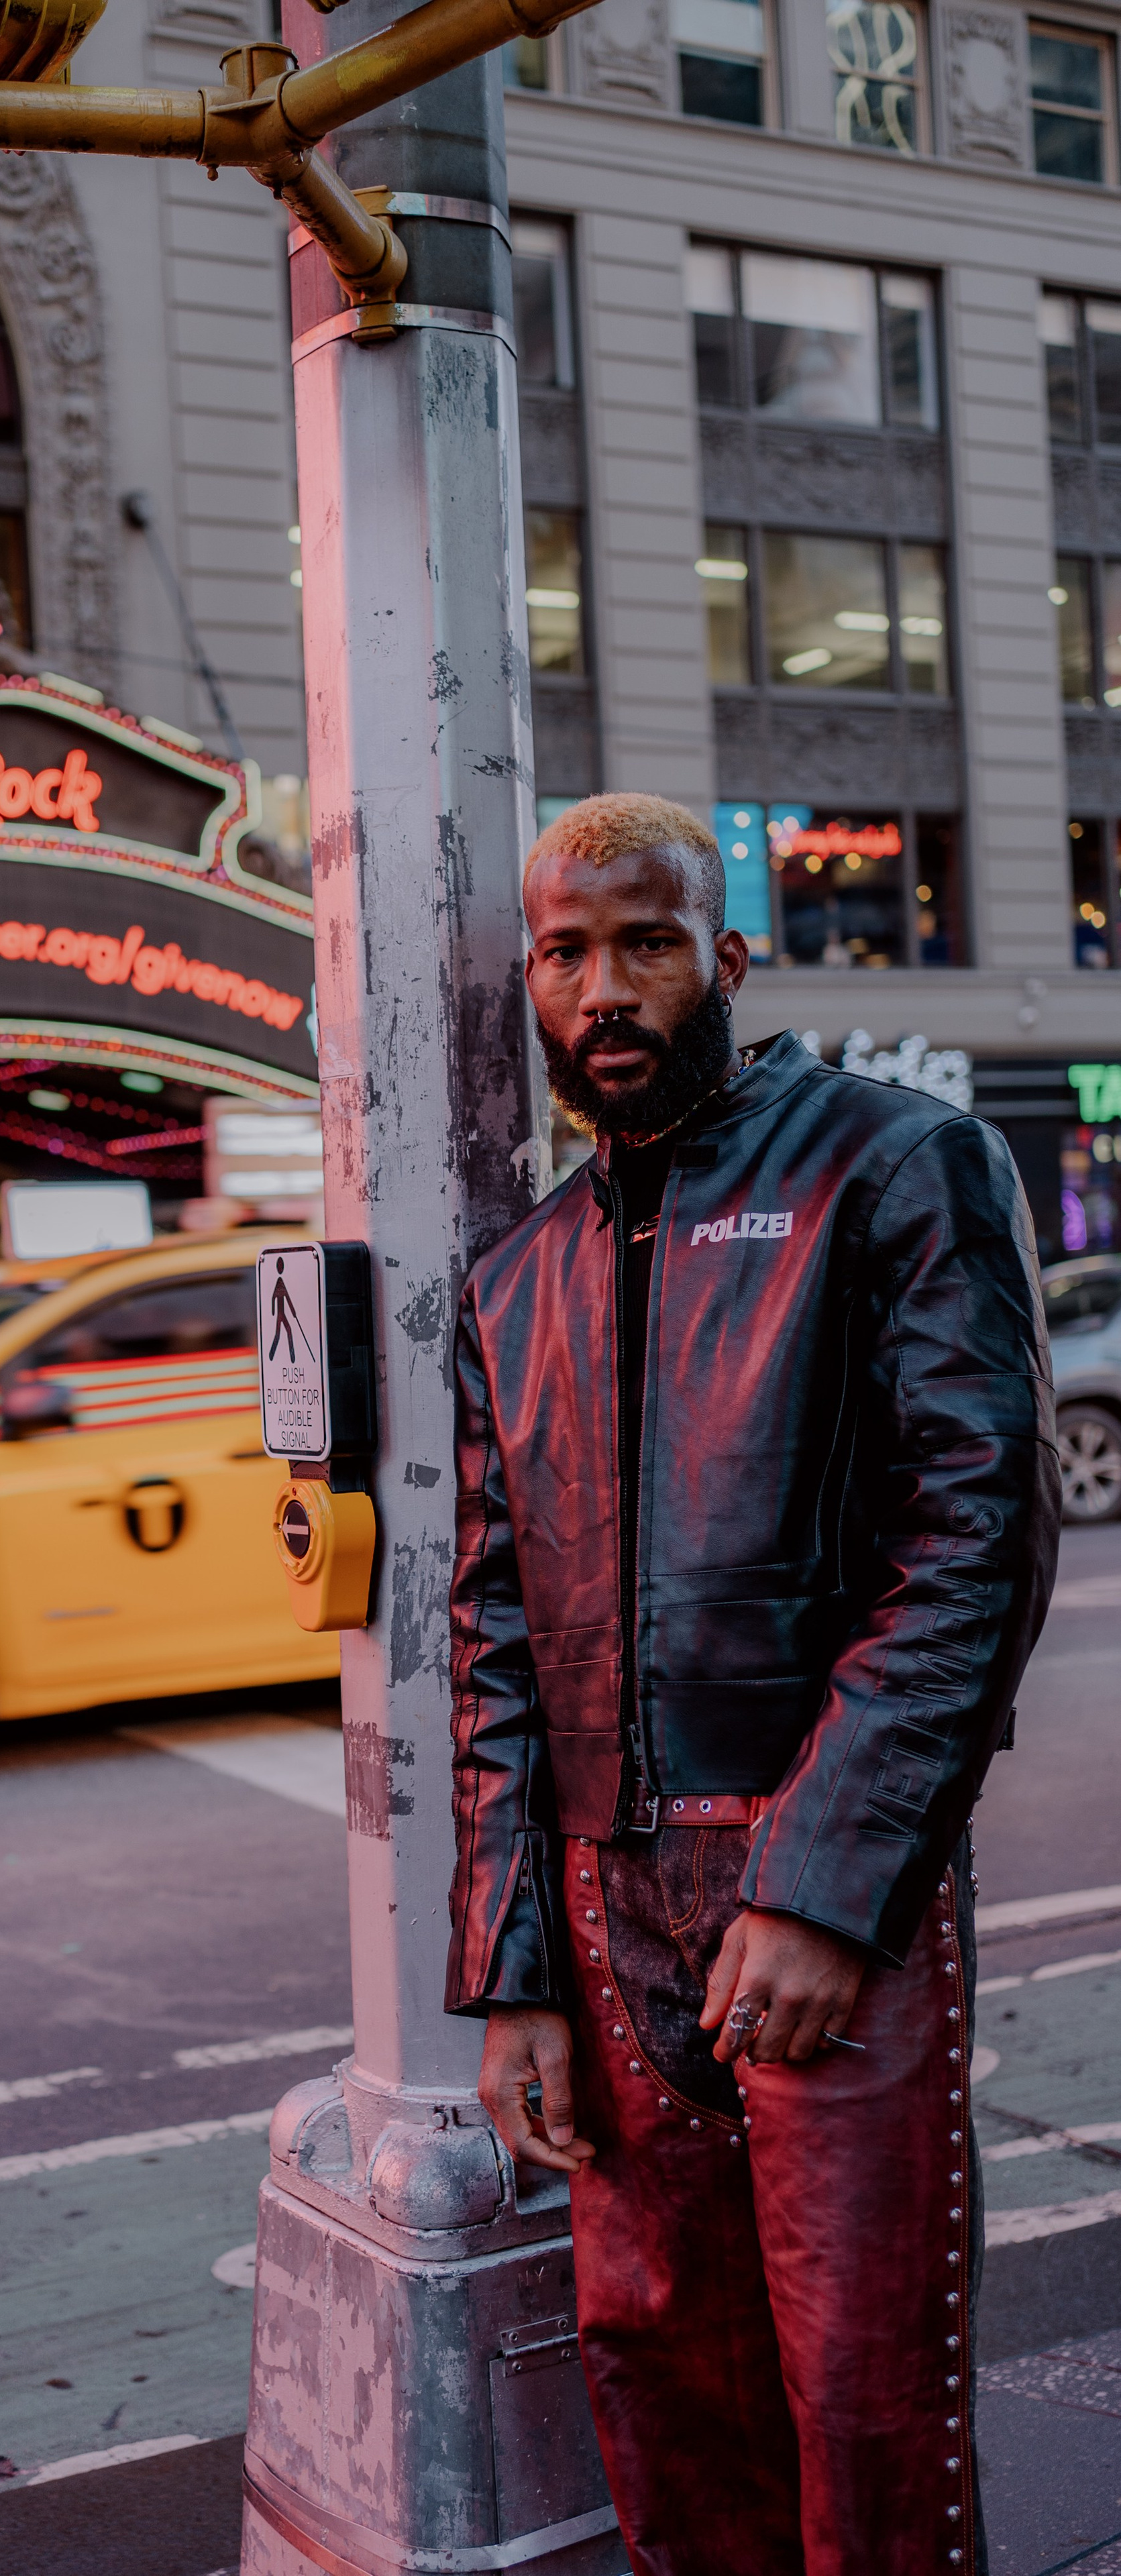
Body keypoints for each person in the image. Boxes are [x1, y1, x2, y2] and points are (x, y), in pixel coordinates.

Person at [444, 794, 1059, 2576]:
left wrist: (824, 1881)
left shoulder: (896, 1163)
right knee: (660, 2379)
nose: (603, 990)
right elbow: (494, 1642)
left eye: (644, 945)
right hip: (602, 1902)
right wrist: (512, 1976)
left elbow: (976, 1538)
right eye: (565, 955)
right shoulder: (517, 1278)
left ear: (721, 958)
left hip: (810, 1879)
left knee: (863, 2402)